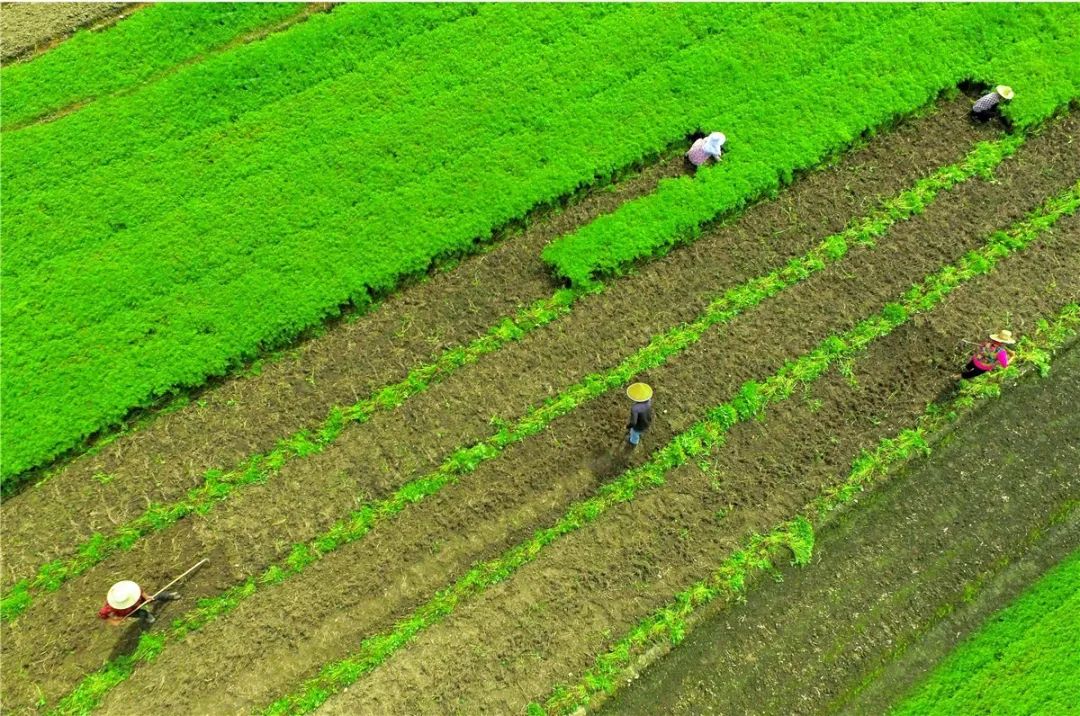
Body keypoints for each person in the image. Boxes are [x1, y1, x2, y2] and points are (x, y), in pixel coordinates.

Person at [98, 580, 179, 626]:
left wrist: (146, 596)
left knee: (154, 597)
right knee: (142, 613)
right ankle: (148, 616)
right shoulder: (109, 607)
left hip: (138, 600)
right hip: (128, 612)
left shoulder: (131, 590)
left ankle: (169, 595)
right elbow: (103, 615)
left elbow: (139, 589)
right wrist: (115, 621)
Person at [626, 382, 654, 448]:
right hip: (647, 421)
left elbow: (633, 422)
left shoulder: (635, 408)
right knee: (640, 431)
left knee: (634, 434)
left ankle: (633, 443)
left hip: (638, 426)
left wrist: (629, 426)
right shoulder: (649, 401)